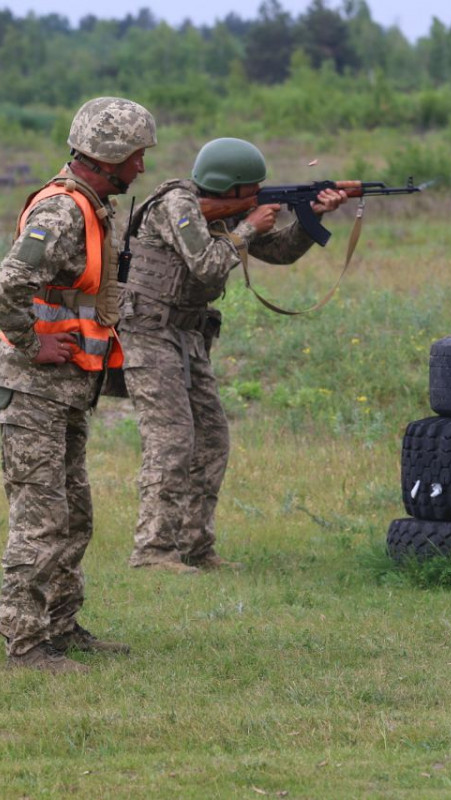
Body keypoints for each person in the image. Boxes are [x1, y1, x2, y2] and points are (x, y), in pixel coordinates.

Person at [119, 137, 348, 574]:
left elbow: (278, 253)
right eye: (251, 192)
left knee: (211, 440)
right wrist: (248, 228)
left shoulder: (225, 209)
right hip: (148, 330)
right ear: (229, 189)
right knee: (171, 442)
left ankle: (195, 547)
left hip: (189, 332)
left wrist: (310, 216)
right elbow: (206, 264)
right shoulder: (177, 206)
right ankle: (152, 553)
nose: (258, 198)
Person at [0, 96, 157, 673]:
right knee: (40, 519)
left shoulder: (92, 206)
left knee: (74, 514)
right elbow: (9, 288)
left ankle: (60, 626)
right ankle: (26, 644)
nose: (141, 167)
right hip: (35, 388)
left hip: (66, 390)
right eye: (136, 156)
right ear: (109, 155)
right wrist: (35, 343)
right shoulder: (61, 211)